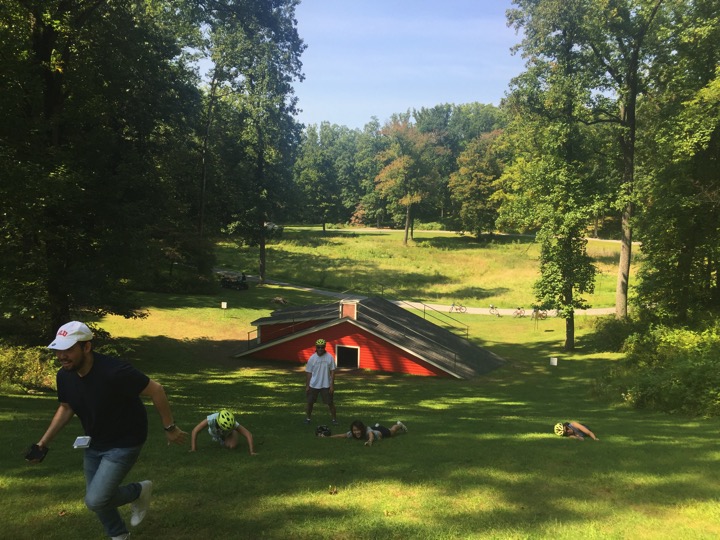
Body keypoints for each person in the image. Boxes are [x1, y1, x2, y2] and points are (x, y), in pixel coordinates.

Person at [31, 321, 187, 540]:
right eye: (59, 350)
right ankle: (119, 535)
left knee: (95, 500)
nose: (61, 356)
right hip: (94, 441)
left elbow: (157, 390)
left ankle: (139, 491)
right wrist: (43, 443)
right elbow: (66, 408)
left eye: (68, 349)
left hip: (125, 440)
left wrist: (169, 427)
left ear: (86, 347)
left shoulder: (115, 371)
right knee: (99, 496)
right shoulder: (64, 376)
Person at [190, 409, 256, 455]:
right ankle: (218, 437)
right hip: (214, 432)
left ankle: (233, 432)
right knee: (215, 434)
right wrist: (193, 449)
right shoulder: (211, 419)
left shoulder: (233, 423)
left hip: (227, 433)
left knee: (232, 446)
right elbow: (195, 431)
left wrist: (252, 451)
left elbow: (248, 434)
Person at [304, 338, 337, 425]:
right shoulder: (312, 358)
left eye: (322, 347)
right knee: (310, 403)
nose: (320, 349)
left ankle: (334, 420)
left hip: (326, 385)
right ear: (316, 347)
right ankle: (308, 419)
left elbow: (333, 371)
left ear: (325, 347)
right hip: (313, 385)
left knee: (330, 403)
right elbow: (309, 372)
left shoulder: (329, 357)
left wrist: (332, 385)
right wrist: (307, 386)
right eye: (318, 347)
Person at [322, 419, 408, 446]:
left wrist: (370, 441)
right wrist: (328, 437)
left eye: (358, 430)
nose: (356, 432)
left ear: (362, 429)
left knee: (392, 431)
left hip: (380, 431)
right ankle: (376, 425)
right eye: (354, 430)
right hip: (374, 428)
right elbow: (342, 435)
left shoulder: (367, 431)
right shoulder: (353, 433)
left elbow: (370, 435)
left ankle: (399, 425)